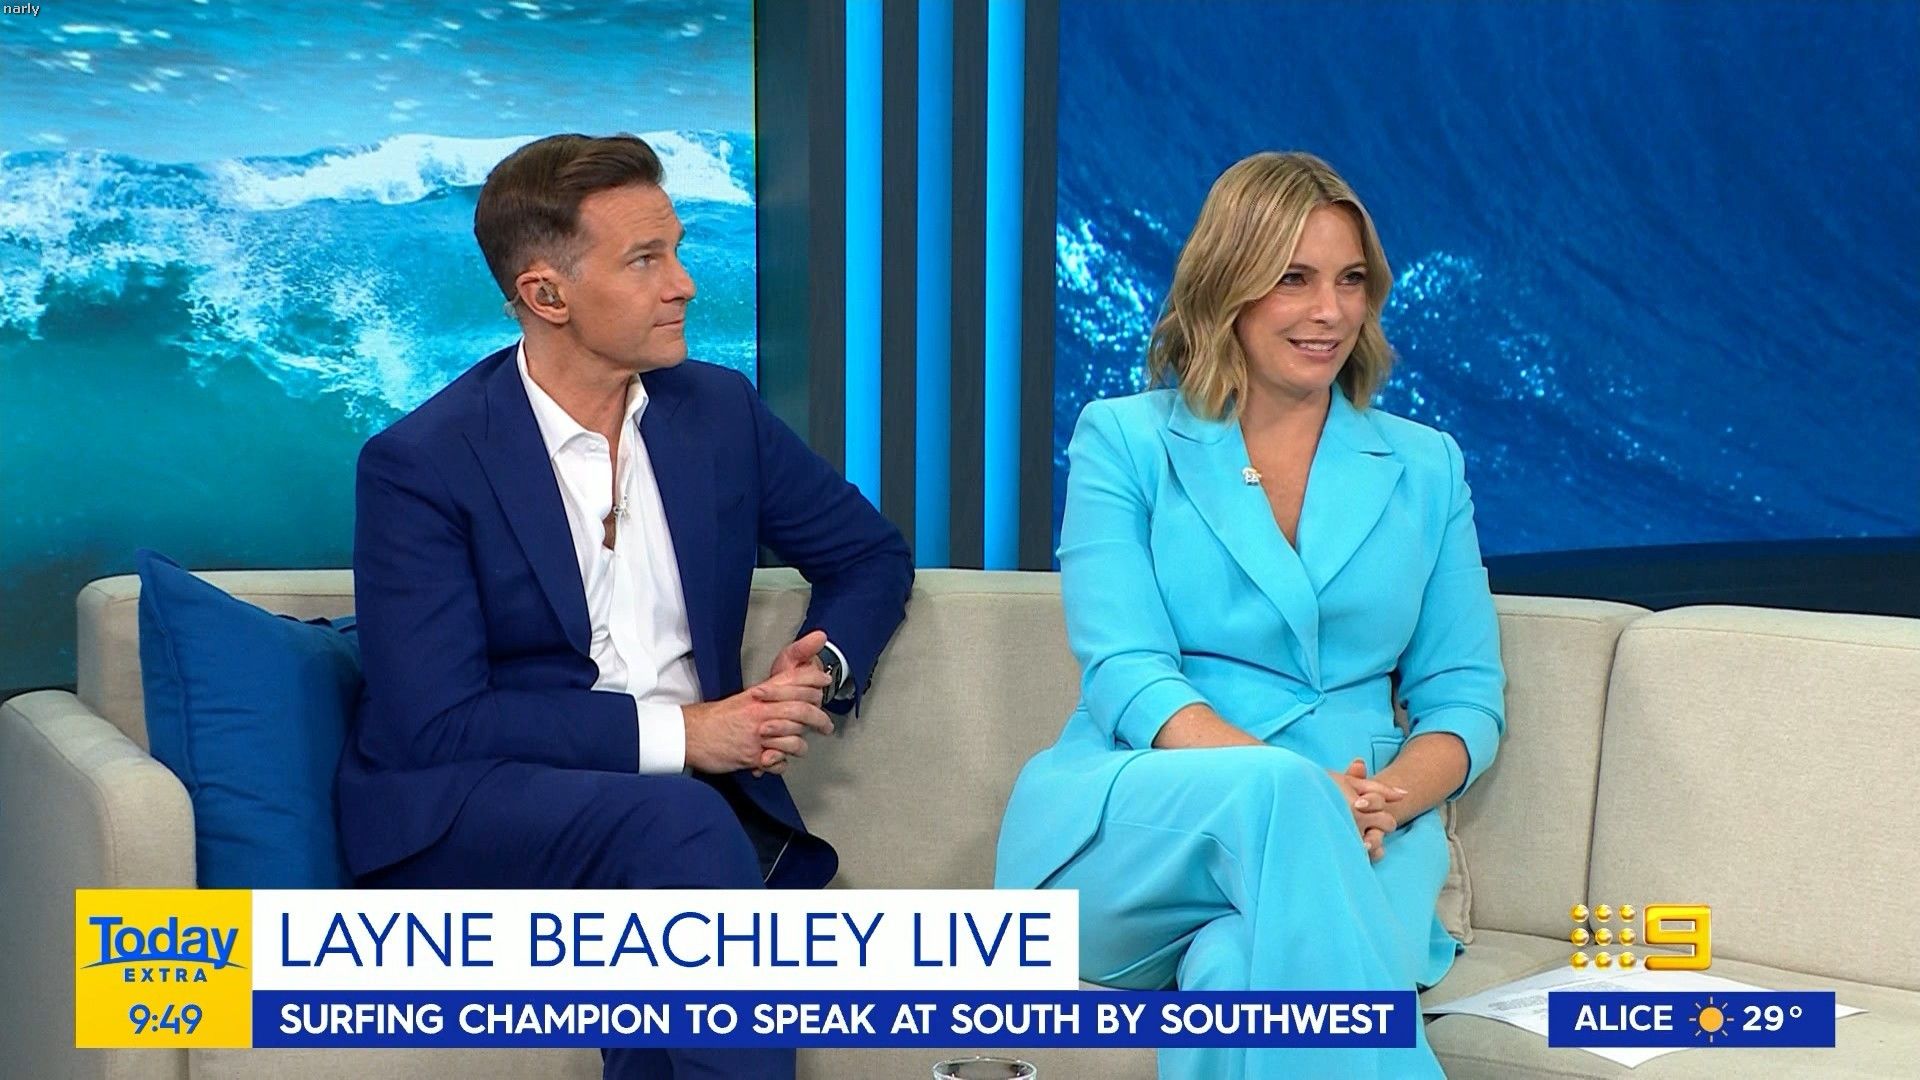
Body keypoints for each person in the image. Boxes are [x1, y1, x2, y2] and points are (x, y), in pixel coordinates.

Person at [336, 132, 914, 1080]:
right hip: (472, 806)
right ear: (546, 295)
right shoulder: (422, 464)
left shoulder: (717, 412)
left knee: (679, 854)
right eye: (646, 261)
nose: (684, 285)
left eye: (677, 251)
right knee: (680, 826)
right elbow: (436, 724)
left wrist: (820, 666)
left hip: (671, 819)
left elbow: (867, 554)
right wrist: (688, 735)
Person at [994, 151, 1506, 1079]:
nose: (1331, 311)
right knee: (1278, 791)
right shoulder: (1126, 440)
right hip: (1146, 829)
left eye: (1351, 280)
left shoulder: (1426, 466)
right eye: (1294, 279)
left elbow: (1464, 696)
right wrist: (1304, 791)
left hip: (1363, 833)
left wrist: (1381, 801)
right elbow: (1127, 673)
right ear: (1228, 286)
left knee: (1235, 976)